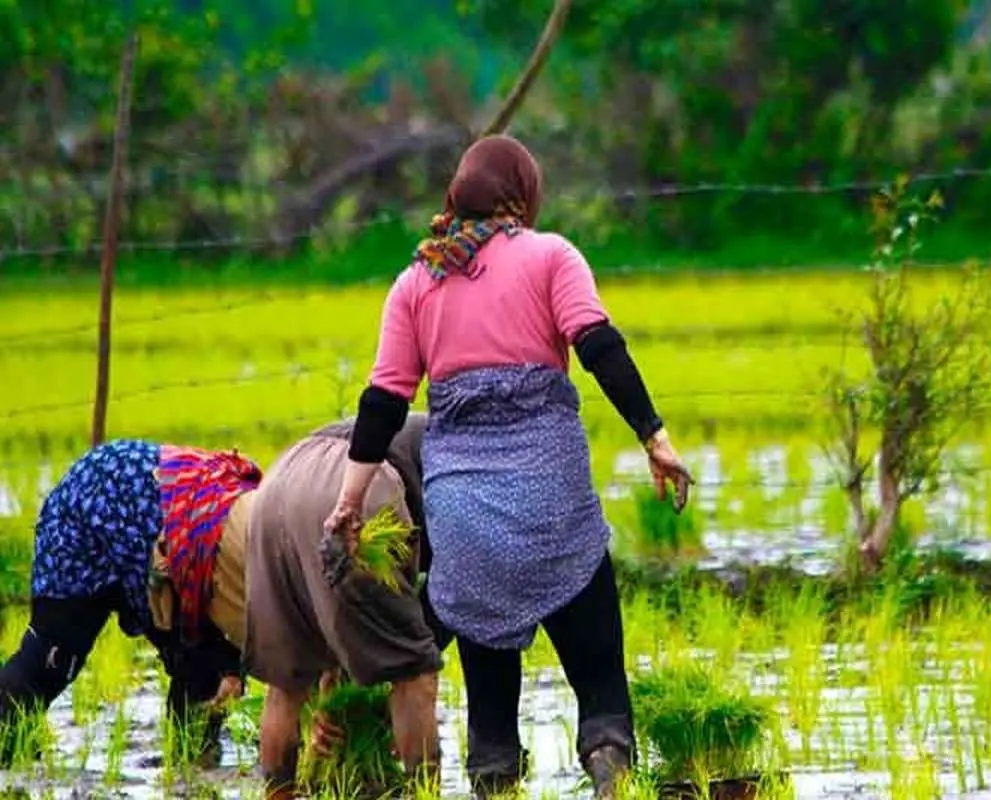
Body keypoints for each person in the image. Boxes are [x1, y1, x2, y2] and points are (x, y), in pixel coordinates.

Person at [325, 134, 695, 799]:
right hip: (553, 504)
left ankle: (495, 774)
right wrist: (654, 436)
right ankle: (609, 760)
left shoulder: (417, 282)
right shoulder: (552, 256)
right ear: (523, 194)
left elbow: (383, 402)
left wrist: (349, 501)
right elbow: (598, 345)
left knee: (490, 722)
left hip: (465, 522)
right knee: (601, 685)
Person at [160, 417, 445, 800]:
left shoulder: (432, 426)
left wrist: (336, 693)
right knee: (415, 676)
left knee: (286, 686)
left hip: (278, 487)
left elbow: (342, 620)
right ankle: (424, 793)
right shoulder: (474, 460)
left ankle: (279, 793)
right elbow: (427, 617)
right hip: (357, 484)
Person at [0, 438, 262, 766]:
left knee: (204, 662)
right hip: (100, 507)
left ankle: (192, 768)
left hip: (151, 511)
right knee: (50, 656)